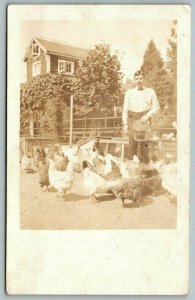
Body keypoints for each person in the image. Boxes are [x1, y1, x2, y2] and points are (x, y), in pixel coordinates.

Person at [122, 70, 160, 163]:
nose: (139, 81)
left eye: (140, 78)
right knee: (132, 141)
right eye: (137, 79)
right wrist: (125, 124)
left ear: (144, 79)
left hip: (145, 117)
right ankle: (133, 166)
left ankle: (145, 166)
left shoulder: (150, 91)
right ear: (134, 80)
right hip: (132, 118)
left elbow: (156, 106)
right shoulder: (129, 93)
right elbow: (125, 110)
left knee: (144, 143)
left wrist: (147, 116)